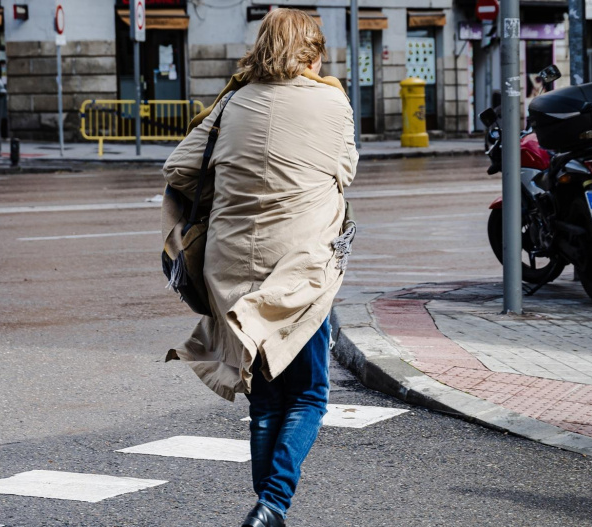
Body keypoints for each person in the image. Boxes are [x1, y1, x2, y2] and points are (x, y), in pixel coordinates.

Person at [161, 8, 358, 527]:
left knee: (267, 399)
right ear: (311, 52)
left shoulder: (233, 101)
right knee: (309, 395)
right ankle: (272, 506)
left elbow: (180, 168)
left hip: (230, 269)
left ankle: (268, 514)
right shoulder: (331, 100)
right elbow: (346, 170)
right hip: (298, 269)